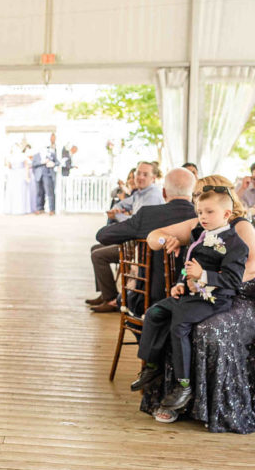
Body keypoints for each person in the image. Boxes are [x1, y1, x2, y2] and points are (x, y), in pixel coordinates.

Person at [137, 176, 255, 426]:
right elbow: (155, 238)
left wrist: (202, 280)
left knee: (202, 329)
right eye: (196, 200)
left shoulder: (239, 229)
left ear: (226, 206)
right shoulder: (201, 226)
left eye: (204, 200)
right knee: (160, 313)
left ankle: (196, 396)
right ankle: (156, 374)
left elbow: (247, 269)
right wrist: (166, 241)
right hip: (197, 289)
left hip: (237, 293)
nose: (199, 205)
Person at [87, 168, 198, 314]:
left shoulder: (148, 215)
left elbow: (103, 235)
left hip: (148, 299)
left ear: (164, 193)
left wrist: (133, 238)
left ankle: (142, 333)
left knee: (123, 300)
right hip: (192, 296)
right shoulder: (202, 219)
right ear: (194, 193)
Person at [31, 134, 59, 214]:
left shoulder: (51, 154)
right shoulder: (36, 155)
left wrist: (53, 164)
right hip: (38, 176)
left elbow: (57, 162)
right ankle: (39, 208)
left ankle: (51, 209)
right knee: (39, 193)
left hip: (48, 175)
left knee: (49, 193)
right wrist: (42, 162)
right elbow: (34, 164)